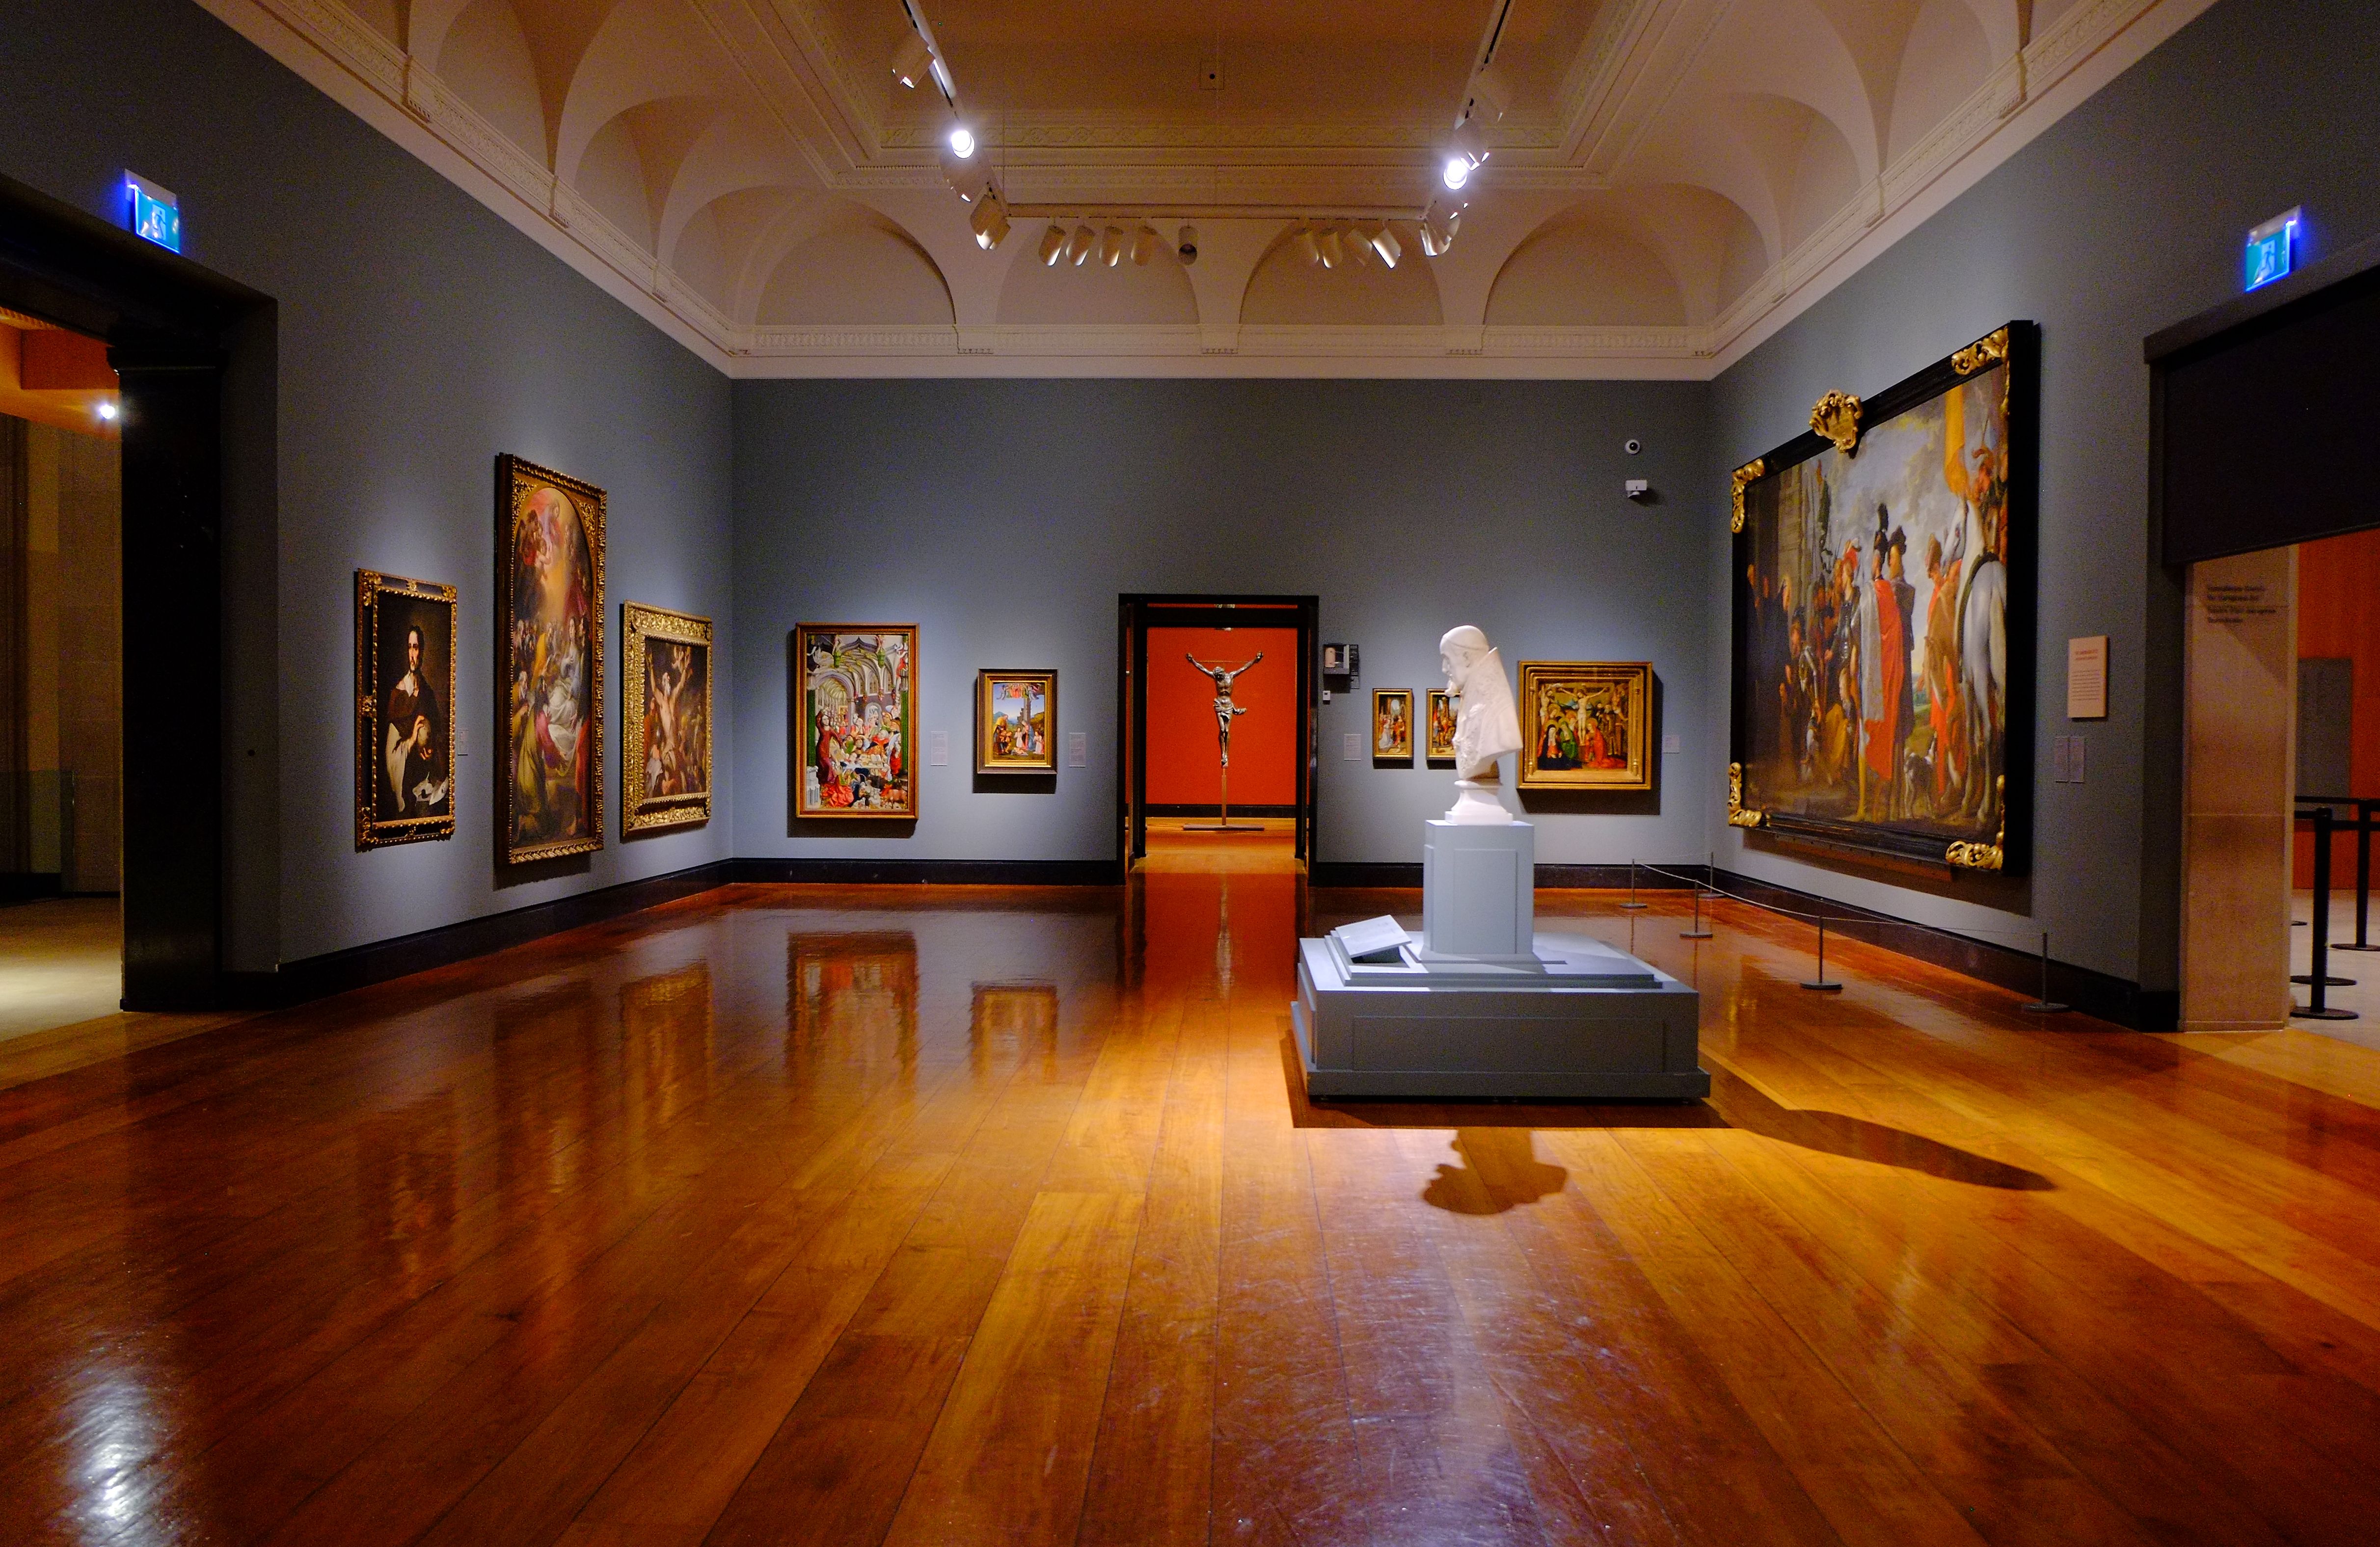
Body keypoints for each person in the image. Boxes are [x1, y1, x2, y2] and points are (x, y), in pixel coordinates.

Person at [382, 624, 446, 816]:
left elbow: (438, 737)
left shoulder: (427, 694)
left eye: (416, 648)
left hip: (424, 781)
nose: (412, 654)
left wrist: (430, 750)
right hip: (405, 781)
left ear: (422, 652)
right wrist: (411, 741)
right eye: (409, 647)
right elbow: (391, 756)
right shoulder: (398, 695)